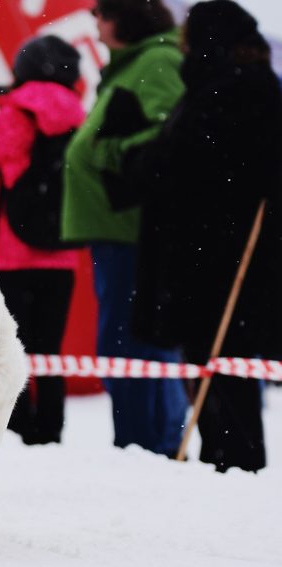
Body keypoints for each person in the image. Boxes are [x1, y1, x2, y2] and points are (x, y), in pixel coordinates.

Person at [130, 0, 282, 472]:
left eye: (188, 35)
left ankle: (235, 460)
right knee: (211, 358)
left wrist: (152, 159)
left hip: (225, 253)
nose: (182, 44)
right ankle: (224, 454)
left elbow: (197, 166)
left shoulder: (236, 90)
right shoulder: (217, 86)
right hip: (207, 251)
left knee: (225, 358)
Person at [60, 0, 187, 456]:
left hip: (131, 228)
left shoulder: (157, 61)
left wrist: (103, 154)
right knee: (127, 337)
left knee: (133, 338)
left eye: (101, 13)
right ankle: (148, 440)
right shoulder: (135, 63)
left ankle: (150, 444)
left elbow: (169, 135)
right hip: (116, 228)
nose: (94, 22)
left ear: (125, 18)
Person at [0, 36, 85, 445]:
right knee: (51, 349)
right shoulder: (80, 115)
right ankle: (51, 427)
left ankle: (19, 426)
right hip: (61, 252)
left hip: (11, 253)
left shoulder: (15, 116)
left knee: (10, 348)